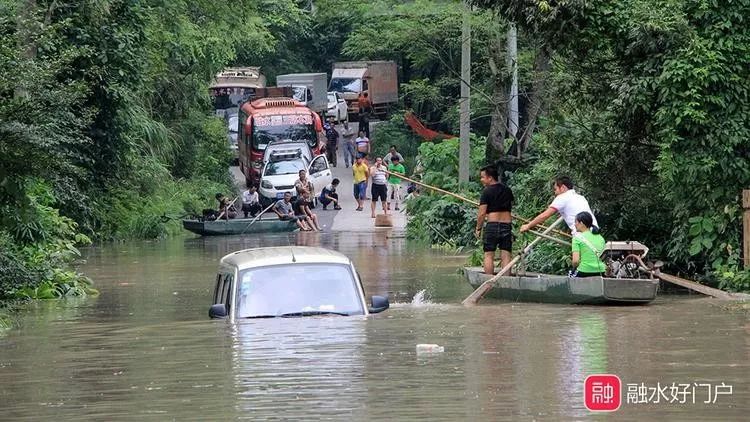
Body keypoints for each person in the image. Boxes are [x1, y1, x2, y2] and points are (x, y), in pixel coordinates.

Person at [519, 175, 598, 234]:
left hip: (582, 234)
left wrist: (528, 226)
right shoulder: (580, 197)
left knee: (578, 256)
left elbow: (545, 216)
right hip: (595, 232)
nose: (555, 192)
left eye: (556, 189)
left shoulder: (562, 197)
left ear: (563, 187)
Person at [475, 165, 514, 275]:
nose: (481, 179)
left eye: (482, 177)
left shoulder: (486, 192)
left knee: (488, 255)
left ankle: (488, 281)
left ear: (490, 178)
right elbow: (510, 206)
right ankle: (507, 281)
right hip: (506, 225)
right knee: (506, 254)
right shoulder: (507, 190)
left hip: (492, 226)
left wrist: (478, 228)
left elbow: (482, 214)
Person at [570, 211, 606, 277]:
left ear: (581, 223)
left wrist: (573, 268)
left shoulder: (577, 238)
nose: (575, 224)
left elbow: (575, 261)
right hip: (601, 271)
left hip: (585, 271)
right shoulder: (601, 238)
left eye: (576, 222)